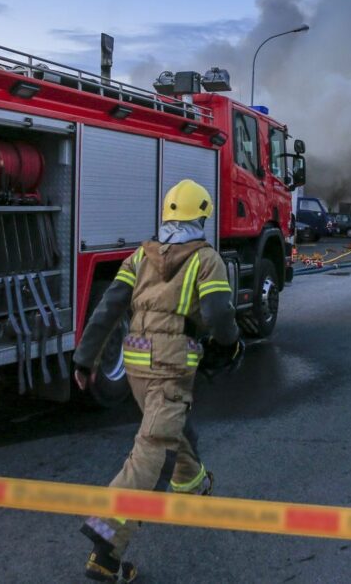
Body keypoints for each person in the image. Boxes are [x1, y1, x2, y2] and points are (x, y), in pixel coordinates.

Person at [72, 179, 243, 582]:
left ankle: (193, 484)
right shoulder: (207, 259)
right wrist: (231, 345)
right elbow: (219, 315)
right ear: (202, 217)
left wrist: (85, 359)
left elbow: (108, 308)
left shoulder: (138, 258)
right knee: (151, 450)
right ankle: (106, 547)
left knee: (170, 427)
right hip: (171, 366)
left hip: (136, 366)